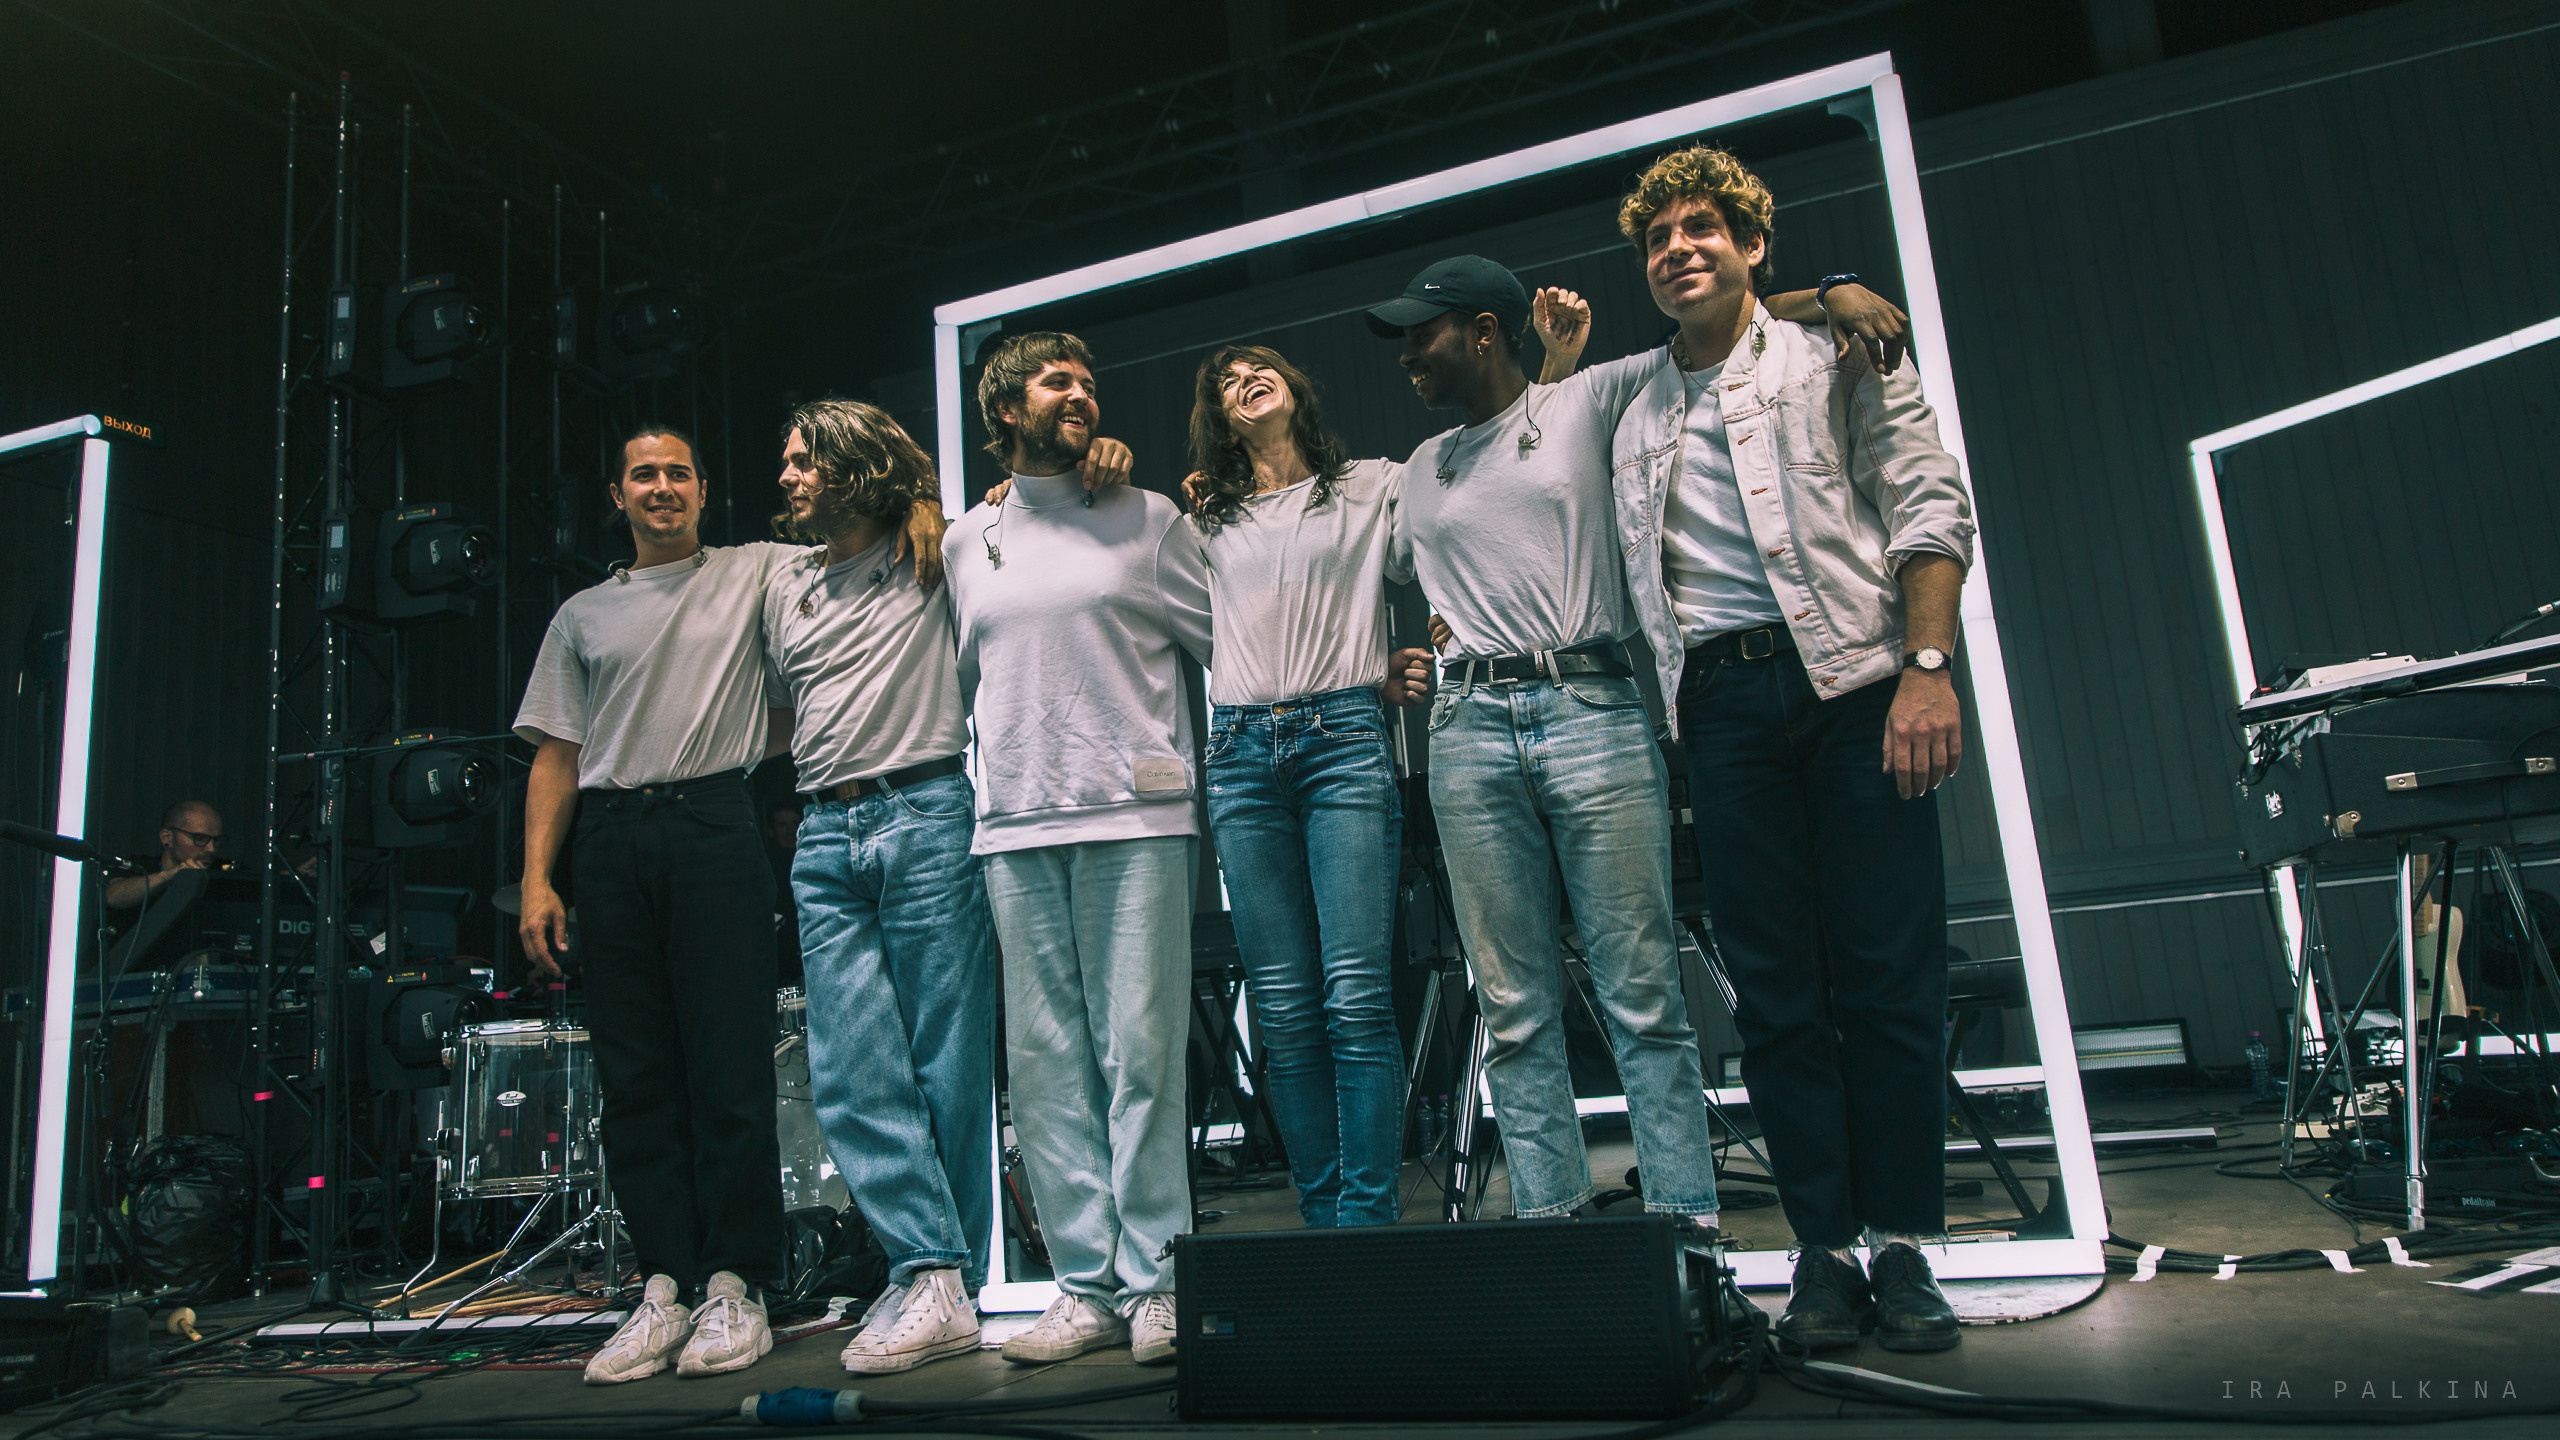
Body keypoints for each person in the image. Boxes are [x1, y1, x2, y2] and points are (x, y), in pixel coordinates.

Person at [1376, 254, 1905, 1234]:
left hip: (1590, 710)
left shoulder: (1589, 399)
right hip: (1466, 734)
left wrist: (1831, 293)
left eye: (1424, 332)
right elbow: (1340, 559)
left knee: (1642, 995)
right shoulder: (1417, 468)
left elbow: (1717, 331)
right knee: (1516, 1009)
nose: (1408, 352)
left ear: (1485, 331)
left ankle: (1684, 1236)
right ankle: (1553, 1235)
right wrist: (1397, 658)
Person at [1611, 145, 1974, 1354]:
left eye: (1703, 227)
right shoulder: (1628, 401)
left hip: (1856, 687)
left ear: (1753, 243)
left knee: (1886, 972)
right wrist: (1830, 283)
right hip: (1715, 707)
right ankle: (1821, 1251)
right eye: (1658, 238)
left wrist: (1927, 672)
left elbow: (1928, 504)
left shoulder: (1840, 354)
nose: (1679, 249)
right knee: (1774, 994)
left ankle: (1903, 1247)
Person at [513, 425, 936, 1385]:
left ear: (704, 490)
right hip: (611, 839)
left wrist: (980, 516)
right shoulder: (584, 613)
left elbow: (872, 524)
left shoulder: (757, 569)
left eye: (678, 474)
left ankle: (735, 1287)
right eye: (642, 476)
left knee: (728, 1065)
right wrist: (540, 877)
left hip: (713, 823)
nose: (661, 487)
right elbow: (558, 754)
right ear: (616, 496)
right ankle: (661, 1285)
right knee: (636, 1074)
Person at [1170, 305, 1587, 1229]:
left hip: (1342, 745)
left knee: (1355, 994)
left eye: (1262, 363)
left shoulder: (1369, 486)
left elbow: (1470, 522)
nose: (1248, 376)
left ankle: (1367, 1221)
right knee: (1281, 1005)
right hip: (1241, 755)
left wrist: (1433, 638)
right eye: (1228, 378)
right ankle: (1324, 1220)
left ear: (1294, 389)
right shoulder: (1204, 520)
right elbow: (1187, 619)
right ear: (1221, 418)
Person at [764, 398, 1122, 1376]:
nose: (786, 477)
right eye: (785, 463)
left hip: (925, 810)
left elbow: (1030, 525)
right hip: (823, 827)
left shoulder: (944, 549)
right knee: (845, 1062)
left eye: (803, 461)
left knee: (946, 1063)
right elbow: (774, 713)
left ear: (851, 466)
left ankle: (935, 1279)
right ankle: (929, 1269)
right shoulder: (780, 583)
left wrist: (1089, 467)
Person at [942, 332, 1210, 1368]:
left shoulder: (1149, 516)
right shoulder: (968, 542)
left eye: (1091, 382)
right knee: (1047, 1067)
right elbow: (964, 687)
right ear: (1004, 411)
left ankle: (1157, 1283)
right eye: (1058, 381)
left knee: (1138, 1057)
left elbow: (1222, 640)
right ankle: (1084, 1288)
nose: (1082, 395)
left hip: (1136, 819)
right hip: (1013, 823)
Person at [104, 801, 225, 911]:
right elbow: (113, 897)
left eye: (217, 840)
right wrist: (170, 875)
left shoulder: (223, 872)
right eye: (200, 838)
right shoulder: (139, 867)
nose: (211, 849)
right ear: (167, 838)